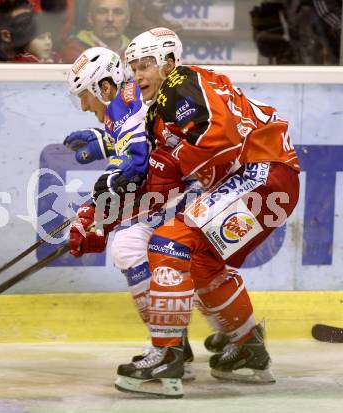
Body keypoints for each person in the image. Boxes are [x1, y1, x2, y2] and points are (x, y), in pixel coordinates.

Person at [112, 27, 300, 398]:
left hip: (261, 172)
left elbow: (216, 133)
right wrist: (126, 193)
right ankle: (248, 349)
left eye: (147, 65)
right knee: (200, 263)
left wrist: (174, 162)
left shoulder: (182, 82)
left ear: (168, 62)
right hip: (267, 181)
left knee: (169, 244)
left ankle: (167, 354)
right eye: (134, 67)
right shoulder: (160, 114)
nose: (139, 75)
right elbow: (164, 182)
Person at [64, 46, 202, 380]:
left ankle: (171, 347)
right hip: (174, 190)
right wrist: (104, 140)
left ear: (105, 88)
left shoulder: (128, 106)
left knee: (141, 249)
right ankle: (172, 343)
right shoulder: (126, 103)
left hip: (191, 191)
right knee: (128, 246)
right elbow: (135, 155)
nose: (84, 106)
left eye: (85, 95)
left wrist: (93, 212)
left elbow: (132, 169)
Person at [60, 0, 131, 63]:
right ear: (90, 18)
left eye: (117, 12)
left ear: (127, 19)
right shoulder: (74, 51)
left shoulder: (135, 51)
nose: (110, 18)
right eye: (102, 12)